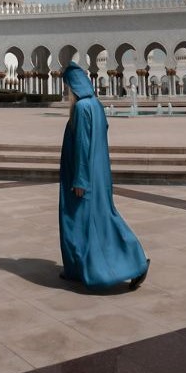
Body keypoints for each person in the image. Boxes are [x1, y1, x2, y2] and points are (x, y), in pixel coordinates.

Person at [59, 61, 150, 289]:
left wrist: (80, 179)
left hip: (83, 177)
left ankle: (135, 262)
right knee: (103, 218)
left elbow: (83, 144)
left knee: (79, 222)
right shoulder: (96, 106)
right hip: (99, 175)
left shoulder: (81, 108)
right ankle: (81, 267)